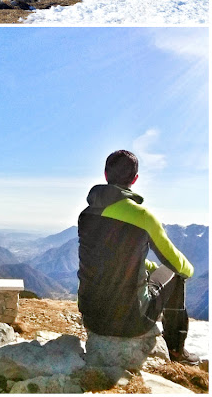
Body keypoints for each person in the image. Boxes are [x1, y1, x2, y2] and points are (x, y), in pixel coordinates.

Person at [77, 149, 199, 365]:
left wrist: (147, 266)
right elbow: (175, 263)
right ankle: (176, 350)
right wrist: (188, 270)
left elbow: (111, 257)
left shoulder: (86, 215)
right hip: (130, 321)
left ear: (105, 175)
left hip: (91, 317)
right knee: (176, 274)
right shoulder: (142, 216)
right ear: (135, 179)